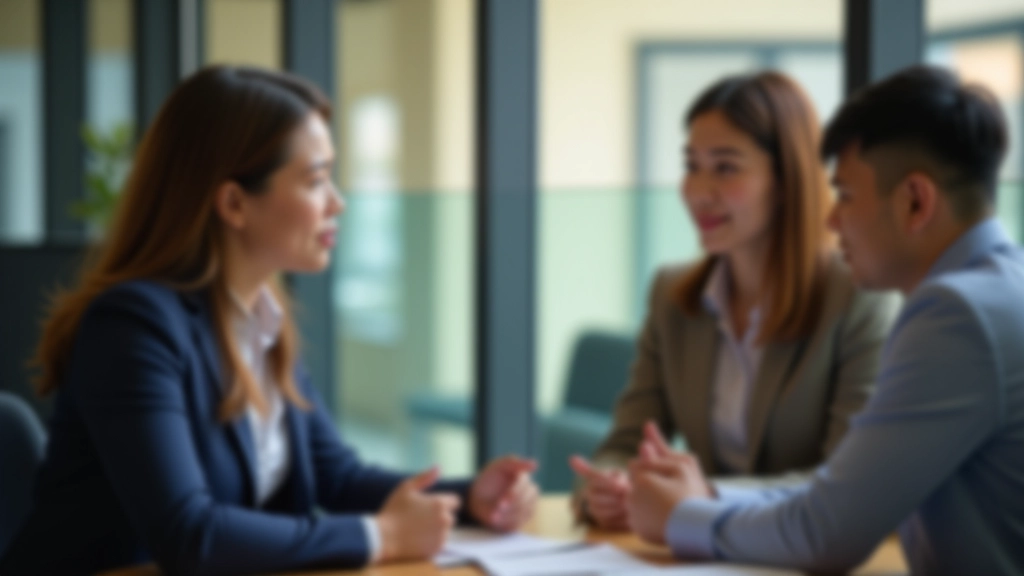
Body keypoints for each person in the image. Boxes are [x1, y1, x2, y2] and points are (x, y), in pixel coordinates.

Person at [0, 66, 538, 576]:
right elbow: (189, 534)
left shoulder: (261, 316)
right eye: (316, 180)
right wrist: (382, 537)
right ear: (234, 203)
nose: (338, 203)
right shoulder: (133, 327)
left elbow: (334, 475)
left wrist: (468, 498)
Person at [625, 65, 1024, 575]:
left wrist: (684, 516)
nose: (833, 220)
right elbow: (849, 485)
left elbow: (826, 532)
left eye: (847, 196)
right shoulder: (995, 291)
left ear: (916, 201)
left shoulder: (957, 315)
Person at [570, 71, 897, 531]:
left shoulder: (857, 298)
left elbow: (849, 481)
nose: (697, 192)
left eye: (725, 167)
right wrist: (608, 486)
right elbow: (625, 442)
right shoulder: (672, 295)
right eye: (691, 166)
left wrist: (709, 496)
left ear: (787, 179)